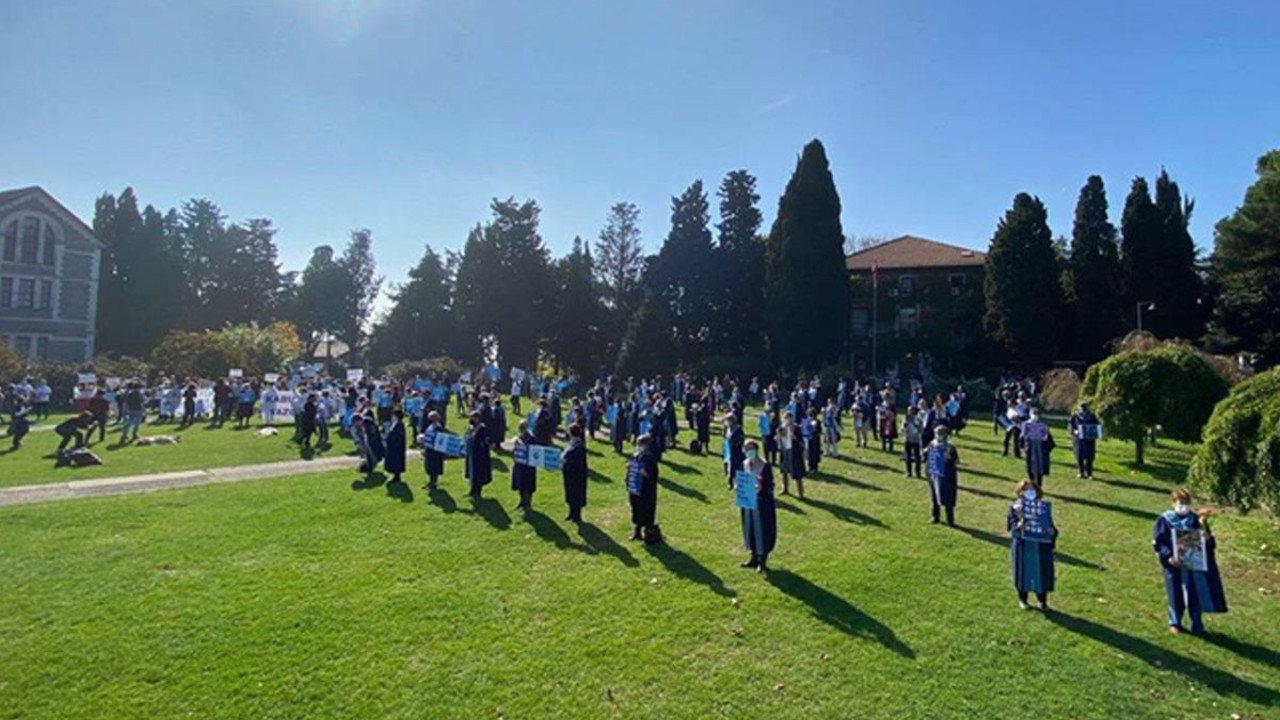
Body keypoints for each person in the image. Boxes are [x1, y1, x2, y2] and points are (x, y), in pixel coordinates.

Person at [1152, 488, 1228, 635]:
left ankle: (1196, 624)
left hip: (1193, 564)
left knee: (1194, 593)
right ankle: (1175, 623)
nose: (1183, 506)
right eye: (1180, 502)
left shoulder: (1196, 520)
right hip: (1174, 564)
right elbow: (1159, 542)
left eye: (1186, 502)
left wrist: (1207, 539)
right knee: (1175, 593)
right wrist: (1168, 556)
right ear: (1173, 503)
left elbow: (1209, 544)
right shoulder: (1164, 520)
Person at [1008, 480, 1057, 610]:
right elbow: (1011, 526)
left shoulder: (1042, 508)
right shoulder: (1015, 507)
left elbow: (1050, 526)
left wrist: (1052, 532)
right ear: (1020, 492)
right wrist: (1018, 526)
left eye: (1032, 489)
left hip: (1040, 545)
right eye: (1025, 489)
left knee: (1042, 573)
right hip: (1023, 545)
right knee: (1022, 572)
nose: (1029, 492)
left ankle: (1042, 601)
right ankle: (1023, 600)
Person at [736, 439, 777, 572]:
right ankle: (753, 556)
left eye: (751, 449)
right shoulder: (744, 464)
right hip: (748, 502)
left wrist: (761, 488)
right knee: (749, 528)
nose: (749, 452)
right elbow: (741, 479)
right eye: (746, 449)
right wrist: (738, 486)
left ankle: (762, 560)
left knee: (762, 529)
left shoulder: (764, 465)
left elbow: (770, 485)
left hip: (762, 503)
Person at [628, 434, 660, 543]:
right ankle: (637, 532)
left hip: (646, 490)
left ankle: (649, 533)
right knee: (636, 509)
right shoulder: (636, 456)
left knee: (646, 510)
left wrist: (646, 474)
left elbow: (654, 476)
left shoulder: (650, 458)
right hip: (636, 489)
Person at [925, 426, 958, 526]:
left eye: (939, 433)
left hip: (946, 476)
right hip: (934, 474)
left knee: (948, 497)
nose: (937, 435)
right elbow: (927, 456)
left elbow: (955, 461)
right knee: (934, 496)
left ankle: (950, 520)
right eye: (936, 433)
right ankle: (935, 517)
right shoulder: (932, 444)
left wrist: (946, 456)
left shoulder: (950, 447)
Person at [561, 423, 588, 522]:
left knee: (576, 494)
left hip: (577, 475)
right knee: (570, 493)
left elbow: (577, 462)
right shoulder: (571, 443)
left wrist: (566, 461)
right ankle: (571, 513)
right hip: (569, 474)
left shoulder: (579, 446)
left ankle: (577, 515)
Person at [1021, 409, 1055, 487]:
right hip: (1030, 449)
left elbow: (1048, 440)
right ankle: (1032, 485)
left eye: (1036, 414)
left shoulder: (1043, 425)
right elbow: (1022, 438)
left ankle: (1039, 486)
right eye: (1033, 413)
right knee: (1030, 468)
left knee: (1040, 468)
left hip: (1040, 449)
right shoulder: (1026, 424)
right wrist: (1023, 448)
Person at [511, 420, 538, 511]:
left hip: (528, 467)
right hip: (519, 464)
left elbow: (533, 451)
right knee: (520, 484)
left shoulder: (531, 438)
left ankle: (527, 503)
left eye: (522, 428)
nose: (521, 430)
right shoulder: (518, 437)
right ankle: (521, 501)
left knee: (527, 485)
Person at [465, 410, 492, 499]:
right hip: (471, 453)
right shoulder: (471, 427)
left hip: (479, 455)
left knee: (478, 474)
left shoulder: (482, 428)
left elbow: (484, 441)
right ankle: (472, 490)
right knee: (471, 472)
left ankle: (477, 492)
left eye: (474, 418)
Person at [1069, 402, 1100, 479]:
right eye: (1082, 408)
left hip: (1089, 439)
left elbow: (1097, 426)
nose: (1083, 410)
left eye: (1085, 408)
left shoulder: (1092, 416)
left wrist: (1094, 432)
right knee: (1079, 456)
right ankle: (1081, 472)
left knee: (1089, 457)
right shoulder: (1075, 416)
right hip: (1078, 439)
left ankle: (1089, 473)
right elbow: (1071, 427)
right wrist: (1075, 431)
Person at [420, 411, 445, 489]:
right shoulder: (430, 426)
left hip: (435, 450)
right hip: (429, 448)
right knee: (429, 465)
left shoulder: (438, 427)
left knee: (434, 466)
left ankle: (433, 482)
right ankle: (430, 481)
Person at [383, 409, 407, 484]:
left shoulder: (400, 424)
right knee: (393, 461)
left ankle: (397, 476)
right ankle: (394, 475)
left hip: (397, 447)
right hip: (393, 446)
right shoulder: (395, 423)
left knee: (397, 461)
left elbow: (398, 436)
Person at [723, 414, 744, 488]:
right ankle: (730, 480)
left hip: (736, 452)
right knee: (729, 465)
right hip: (729, 450)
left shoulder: (738, 429)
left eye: (728, 420)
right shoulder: (728, 428)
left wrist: (734, 443)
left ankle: (735, 482)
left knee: (735, 467)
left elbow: (740, 441)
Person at [902, 406, 923, 478]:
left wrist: (914, 424)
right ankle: (909, 472)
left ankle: (918, 473)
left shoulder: (918, 419)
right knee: (908, 457)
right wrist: (904, 426)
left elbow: (921, 430)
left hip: (916, 440)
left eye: (911, 411)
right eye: (909, 411)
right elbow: (902, 429)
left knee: (917, 458)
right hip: (907, 440)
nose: (910, 412)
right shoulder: (905, 419)